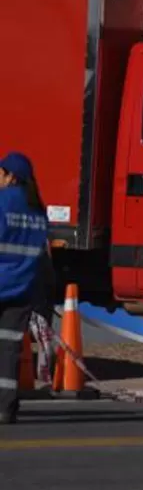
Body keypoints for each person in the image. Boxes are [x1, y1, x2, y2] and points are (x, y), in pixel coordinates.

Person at [0, 152, 51, 425]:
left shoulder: (1, 203)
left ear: (11, 176)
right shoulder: (37, 211)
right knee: (9, 350)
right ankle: (5, 408)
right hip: (22, 290)